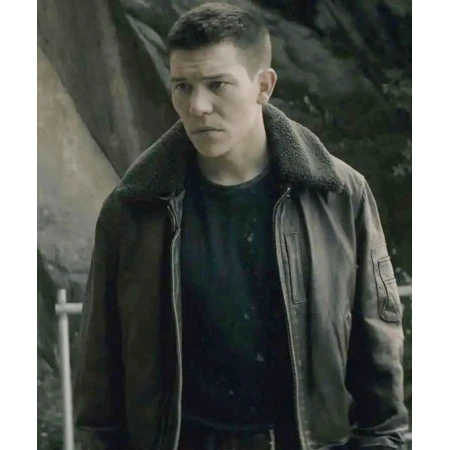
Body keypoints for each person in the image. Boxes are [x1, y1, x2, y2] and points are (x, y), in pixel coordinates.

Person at [73, 3, 408, 450]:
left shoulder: (337, 195)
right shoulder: (134, 208)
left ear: (263, 86)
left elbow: (377, 352)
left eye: (217, 85)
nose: (197, 106)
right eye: (182, 87)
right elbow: (100, 372)